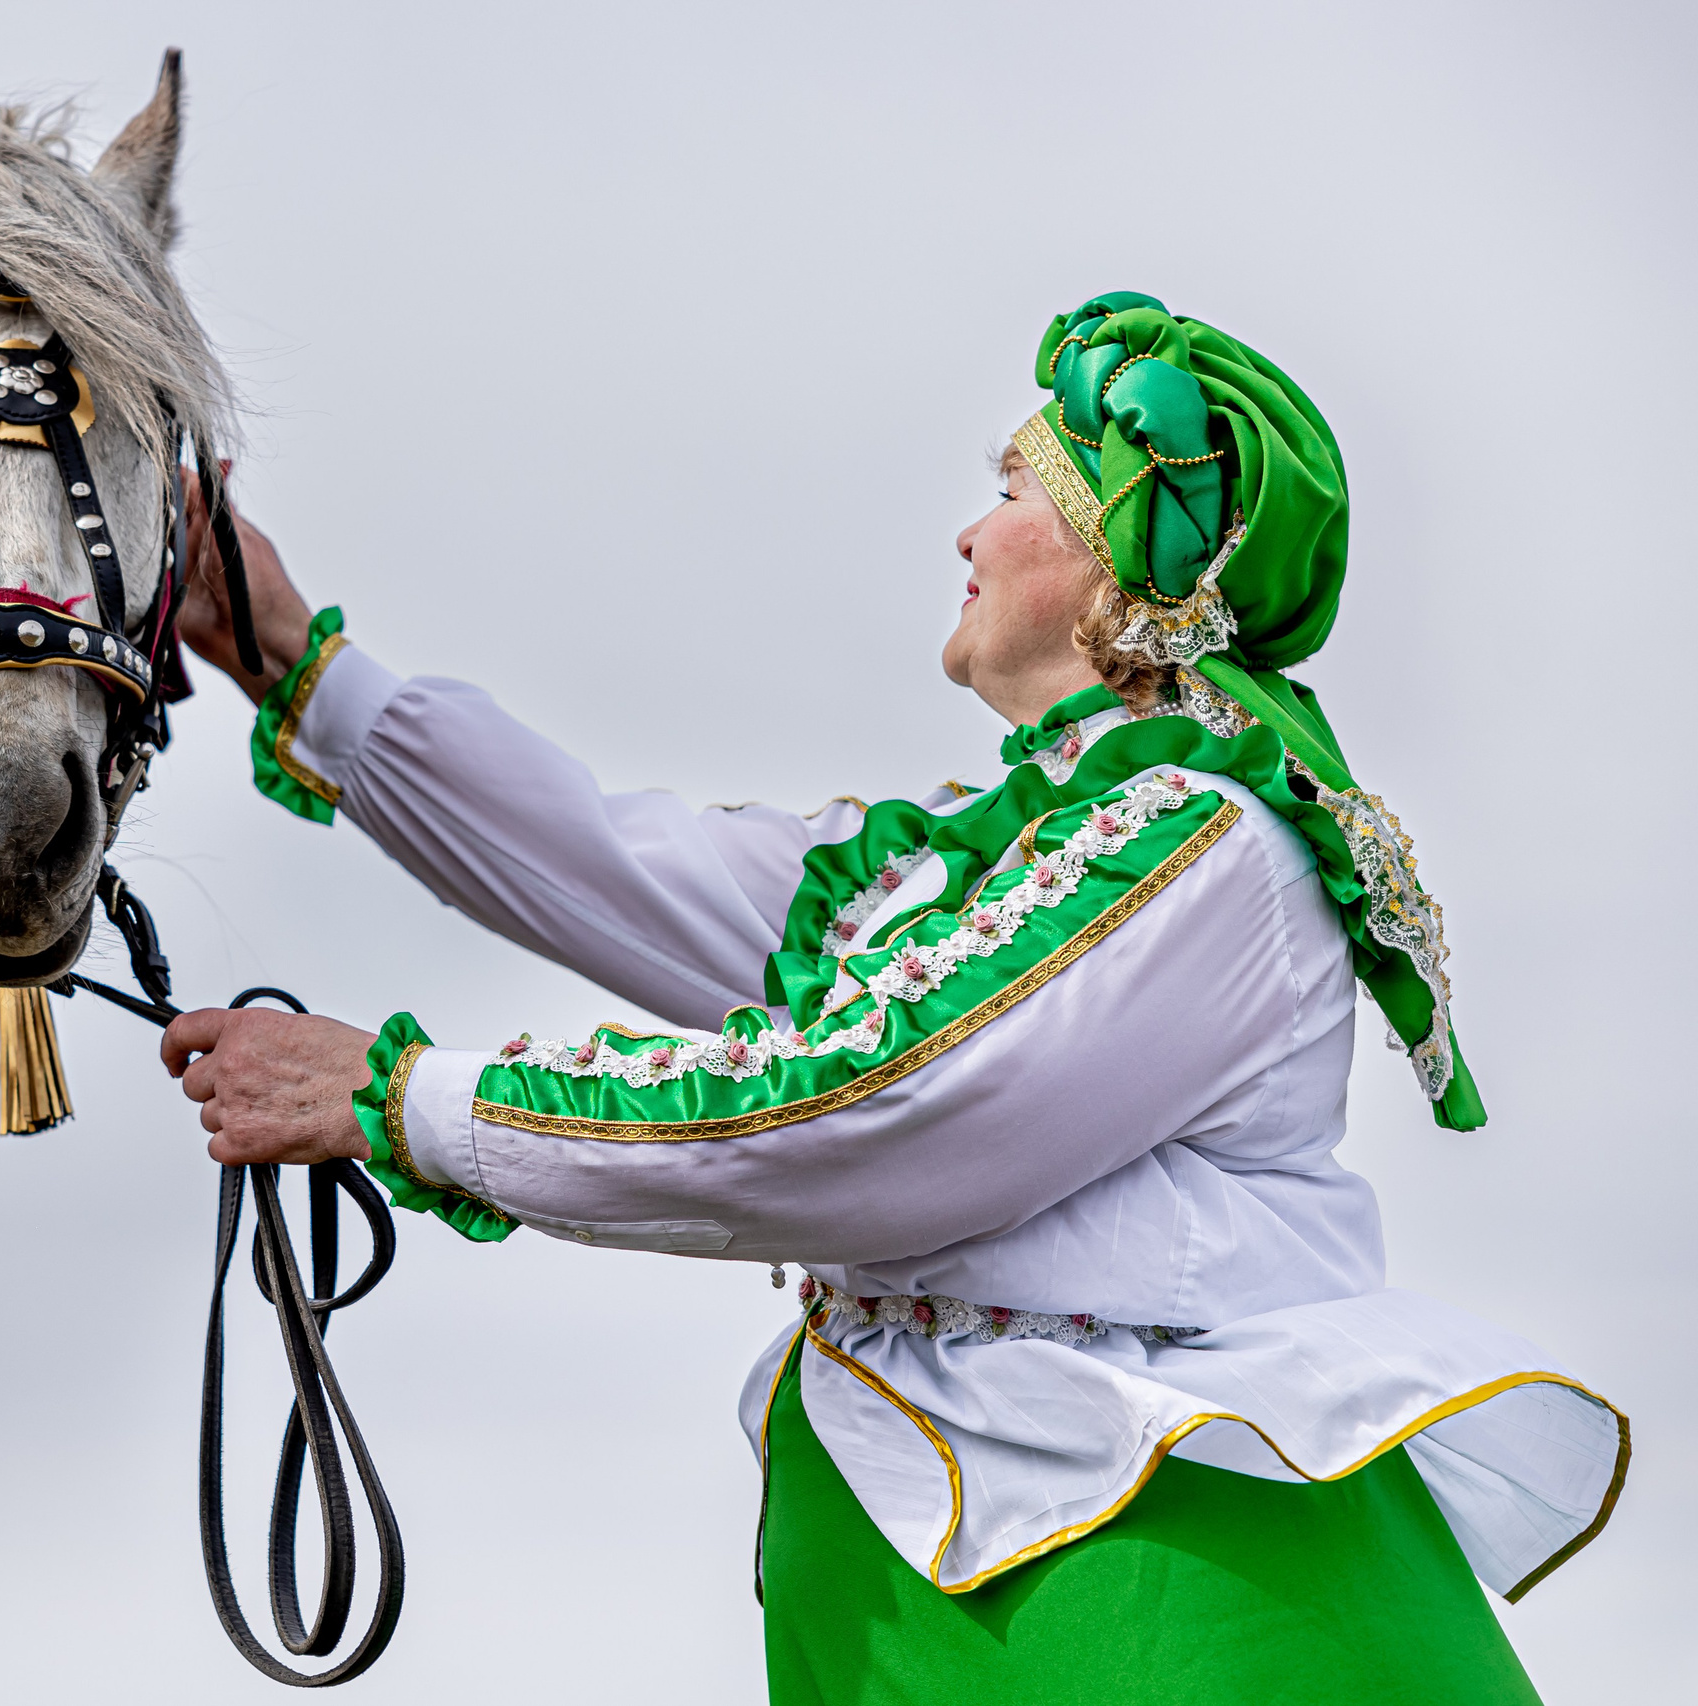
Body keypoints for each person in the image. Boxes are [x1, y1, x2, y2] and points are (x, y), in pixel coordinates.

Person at [160, 292, 1623, 1703]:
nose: (968, 529)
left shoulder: (1207, 849)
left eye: (1014, 484)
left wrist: (405, 1100)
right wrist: (292, 654)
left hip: (1180, 1632)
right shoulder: (973, 861)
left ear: (1125, 557)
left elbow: (874, 1114)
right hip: (982, 1631)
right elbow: (620, 860)